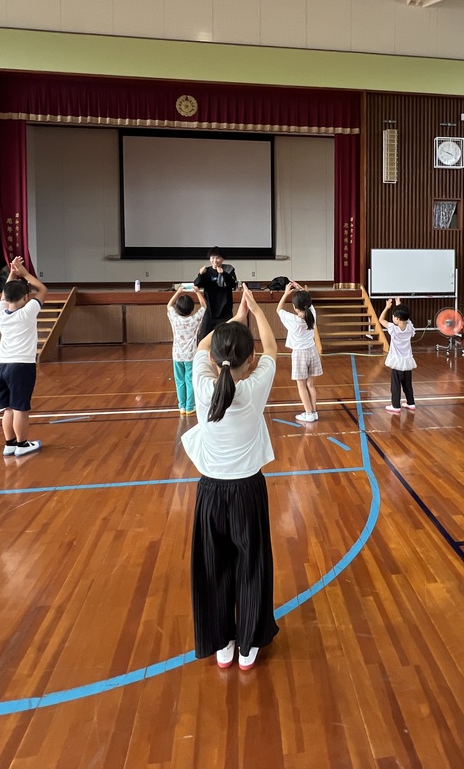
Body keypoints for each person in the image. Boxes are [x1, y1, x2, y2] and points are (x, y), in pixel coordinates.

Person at [184, 285, 280, 671]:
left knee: (214, 564)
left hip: (210, 491)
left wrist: (233, 321)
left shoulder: (204, 384)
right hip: (247, 491)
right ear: (250, 359)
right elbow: (273, 350)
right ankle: (249, 642)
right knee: (251, 562)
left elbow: (202, 349)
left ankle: (221, 640)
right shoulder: (255, 387)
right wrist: (253, 311)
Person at [0, 256, 47, 457]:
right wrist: (24, 273)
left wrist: (11, 274)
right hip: (22, 366)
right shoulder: (27, 313)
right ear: (26, 298)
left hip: (2, 366)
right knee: (21, 409)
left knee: (8, 408)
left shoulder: (1, 313)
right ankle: (22, 444)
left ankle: (9, 444)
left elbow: (4, 295)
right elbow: (42, 290)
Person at [277, 282, 321, 422]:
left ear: (295, 307)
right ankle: (313, 412)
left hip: (299, 354)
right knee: (310, 384)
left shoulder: (294, 320)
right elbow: (308, 301)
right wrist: (300, 288)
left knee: (301, 385)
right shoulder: (312, 314)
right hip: (312, 350)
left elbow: (279, 309)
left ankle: (308, 413)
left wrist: (285, 293)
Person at [167, 285, 206, 415]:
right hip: (191, 356)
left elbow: (169, 305)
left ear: (177, 308)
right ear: (191, 309)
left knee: (180, 381)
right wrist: (197, 292)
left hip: (177, 355)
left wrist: (178, 292)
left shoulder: (175, 318)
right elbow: (204, 307)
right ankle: (190, 406)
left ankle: (182, 406)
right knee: (190, 380)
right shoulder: (194, 319)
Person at [378, 297, 417, 413]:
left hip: (397, 362)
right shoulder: (410, 327)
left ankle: (396, 405)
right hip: (407, 361)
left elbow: (381, 319)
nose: (393, 318)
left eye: (394, 316)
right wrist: (399, 304)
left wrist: (387, 307)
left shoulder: (393, 329)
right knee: (407, 384)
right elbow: (407, 319)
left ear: (398, 318)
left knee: (395, 385)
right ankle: (411, 403)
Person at [193, 248, 240, 340]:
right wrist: (201, 274)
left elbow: (233, 284)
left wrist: (224, 274)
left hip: (225, 310)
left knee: (226, 337)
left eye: (218, 258)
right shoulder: (206, 271)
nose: (215, 261)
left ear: (222, 259)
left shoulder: (229, 269)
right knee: (203, 336)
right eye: (212, 258)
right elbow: (196, 284)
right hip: (210, 310)